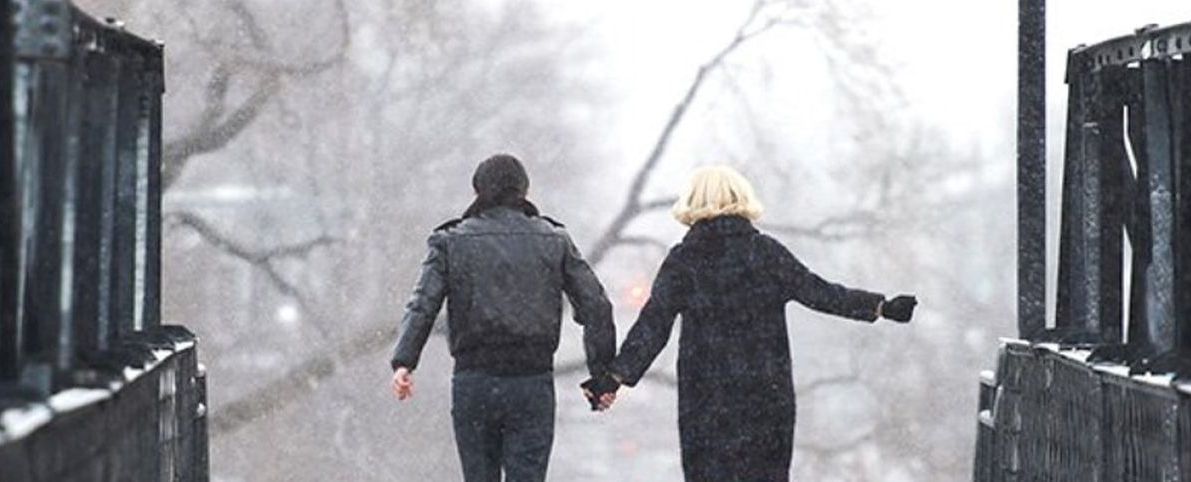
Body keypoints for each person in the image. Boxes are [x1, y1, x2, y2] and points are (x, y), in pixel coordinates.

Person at [584, 165, 917, 481]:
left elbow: (652, 326)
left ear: (693, 204)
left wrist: (612, 378)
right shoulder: (766, 254)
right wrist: (881, 306)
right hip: (766, 398)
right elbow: (822, 293)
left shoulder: (684, 261)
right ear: (741, 198)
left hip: (706, 403)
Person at [389, 154, 618, 482]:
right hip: (532, 383)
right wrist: (601, 376)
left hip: (474, 382)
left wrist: (404, 361)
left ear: (477, 191)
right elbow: (596, 305)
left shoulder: (451, 241)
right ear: (524, 191)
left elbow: (423, 303)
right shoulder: (554, 240)